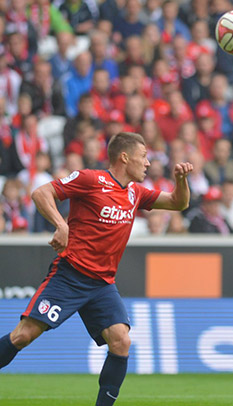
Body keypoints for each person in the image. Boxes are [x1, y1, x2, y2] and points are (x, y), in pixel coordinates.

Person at [0, 132, 193, 406]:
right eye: (143, 157)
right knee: (23, 336)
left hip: (102, 284)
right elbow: (41, 192)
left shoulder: (135, 193)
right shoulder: (91, 179)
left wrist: (181, 180)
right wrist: (61, 224)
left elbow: (178, 203)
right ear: (125, 157)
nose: (148, 163)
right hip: (69, 276)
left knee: (121, 342)